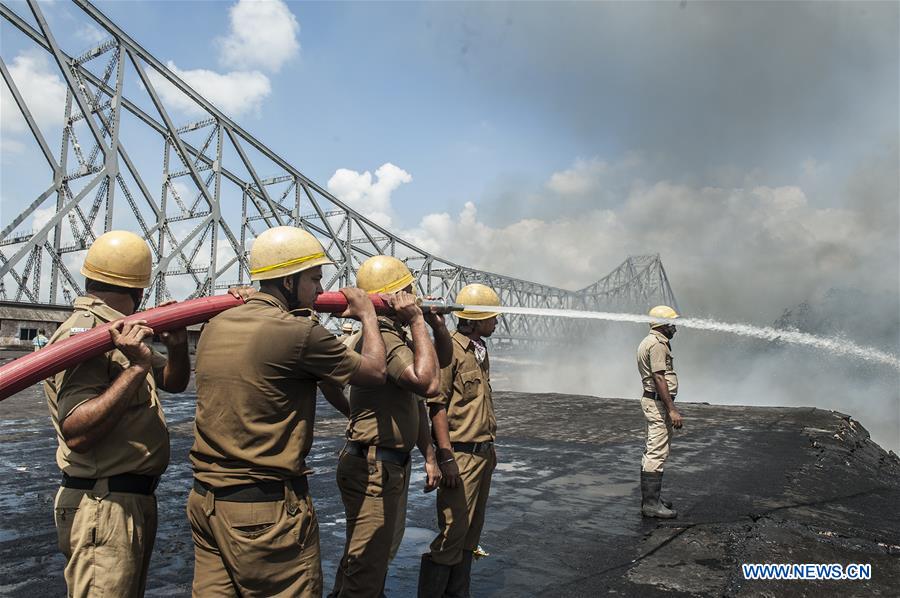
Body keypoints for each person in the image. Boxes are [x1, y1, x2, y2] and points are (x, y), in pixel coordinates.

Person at [187, 225, 388, 597]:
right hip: (265, 513)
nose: (320, 290)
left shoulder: (215, 325)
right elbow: (375, 372)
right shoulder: (299, 334)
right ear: (290, 281)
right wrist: (368, 317)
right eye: (314, 279)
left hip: (206, 504)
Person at [43, 230, 191, 597]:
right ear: (140, 288)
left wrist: (176, 347)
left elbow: (173, 382)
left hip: (122, 503)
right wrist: (137, 369)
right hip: (102, 506)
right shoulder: (89, 335)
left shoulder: (119, 331)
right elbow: (76, 432)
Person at [327, 255, 452, 598]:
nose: (416, 295)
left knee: (365, 560)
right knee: (366, 568)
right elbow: (427, 383)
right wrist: (416, 322)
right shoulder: (387, 338)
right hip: (375, 470)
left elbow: (427, 382)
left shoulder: (389, 337)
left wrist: (436, 326)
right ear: (398, 294)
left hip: (381, 464)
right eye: (410, 290)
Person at [419, 283, 501, 598]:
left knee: (469, 534)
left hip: (482, 454)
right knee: (452, 533)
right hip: (461, 458)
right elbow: (436, 405)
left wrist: (490, 448)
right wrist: (446, 457)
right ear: (475, 319)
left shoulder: (479, 351)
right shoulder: (450, 350)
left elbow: (479, 404)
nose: (496, 322)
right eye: (492, 317)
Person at [637, 305, 683, 519]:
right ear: (663, 325)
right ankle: (651, 505)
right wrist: (671, 409)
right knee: (657, 450)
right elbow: (659, 378)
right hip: (658, 404)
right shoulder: (657, 345)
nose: (675, 327)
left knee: (652, 449)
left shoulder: (649, 341)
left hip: (652, 402)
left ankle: (652, 499)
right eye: (672, 323)